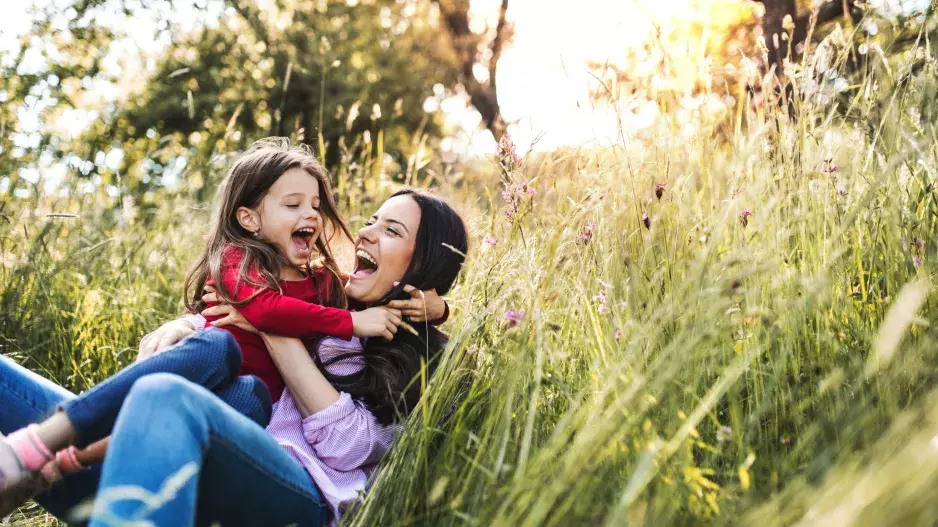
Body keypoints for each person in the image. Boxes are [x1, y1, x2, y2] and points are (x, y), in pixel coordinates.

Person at [0, 189, 469, 526]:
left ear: (423, 262)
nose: (365, 233)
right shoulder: (325, 298)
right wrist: (186, 326)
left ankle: (53, 453)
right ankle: (37, 460)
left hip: (299, 492)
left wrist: (270, 326)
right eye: (371, 219)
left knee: (167, 394)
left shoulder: (422, 360)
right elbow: (231, 328)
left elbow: (346, 447)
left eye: (391, 230)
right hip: (181, 457)